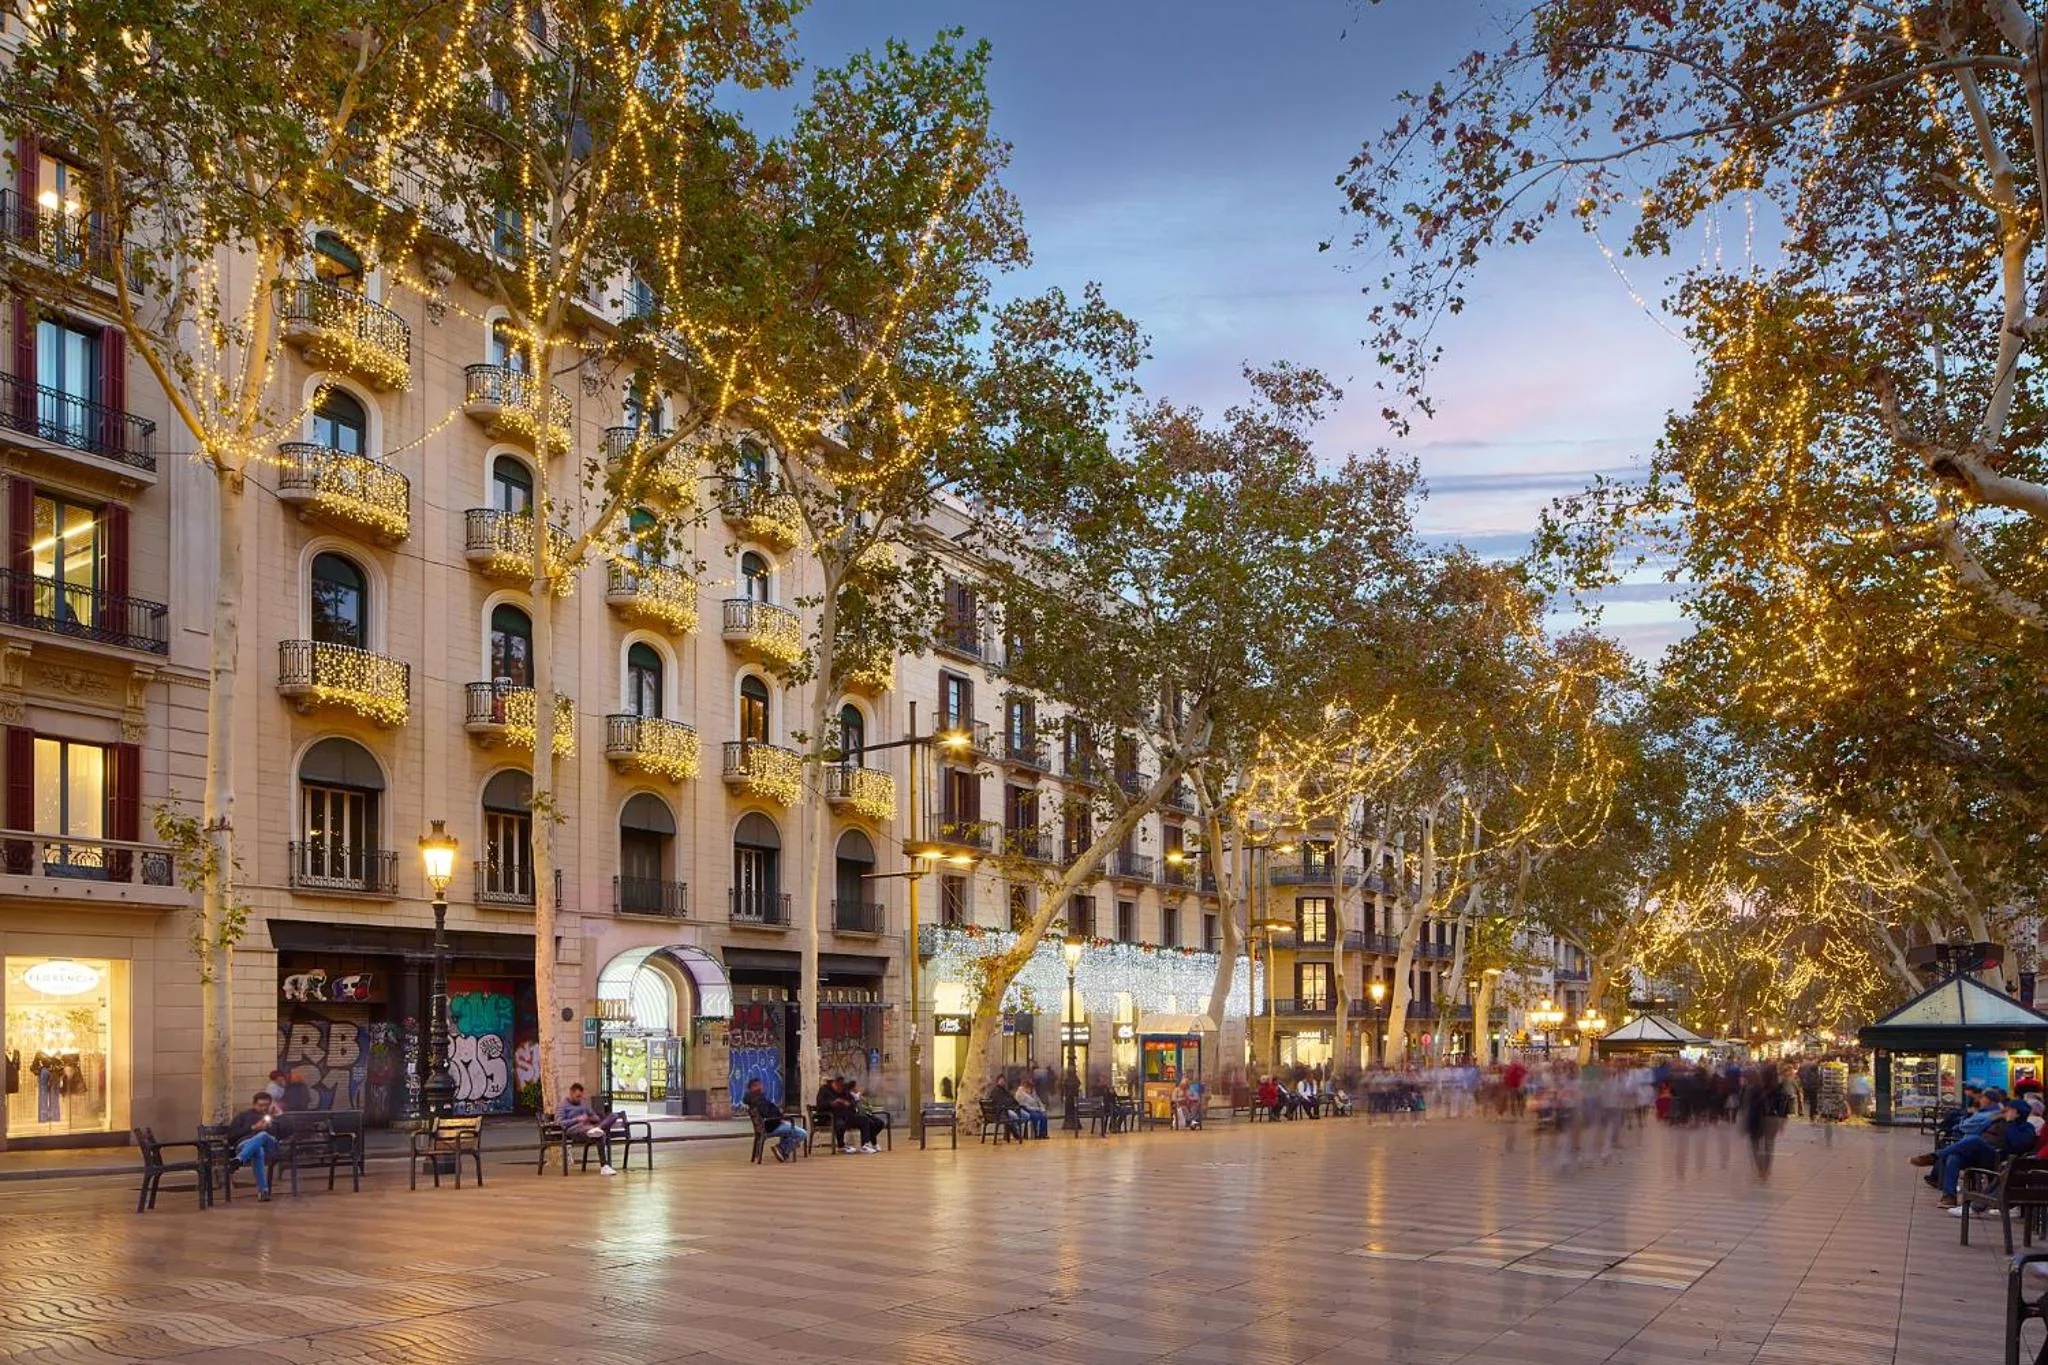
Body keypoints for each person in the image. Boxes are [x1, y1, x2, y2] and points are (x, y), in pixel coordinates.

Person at [226, 1091, 283, 1202]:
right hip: (245, 1144)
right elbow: (231, 1136)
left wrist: (280, 1118)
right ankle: (263, 1192)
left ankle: (239, 1160)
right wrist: (253, 1128)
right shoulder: (243, 1116)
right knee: (258, 1151)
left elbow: (285, 1132)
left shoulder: (275, 1116)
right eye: (260, 1105)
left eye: (266, 1105)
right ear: (254, 1104)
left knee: (263, 1135)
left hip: (270, 1146)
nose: (263, 1108)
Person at [559, 1082, 624, 1175]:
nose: (580, 1099)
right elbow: (560, 1123)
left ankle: (598, 1129)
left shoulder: (583, 1104)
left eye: (581, 1096)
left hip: (590, 1127)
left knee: (612, 1116)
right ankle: (604, 1166)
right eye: (578, 1096)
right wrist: (577, 1119)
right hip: (575, 1129)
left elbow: (594, 1116)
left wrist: (592, 1118)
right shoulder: (562, 1106)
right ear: (571, 1093)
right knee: (600, 1134)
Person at [742, 1078, 806, 1161]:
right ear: (751, 1088)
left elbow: (767, 1112)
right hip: (772, 1126)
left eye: (760, 1084)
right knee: (802, 1133)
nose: (760, 1087)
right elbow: (767, 1114)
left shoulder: (753, 1100)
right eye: (757, 1085)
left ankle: (783, 1152)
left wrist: (779, 1115)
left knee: (789, 1129)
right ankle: (781, 1149)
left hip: (768, 1125)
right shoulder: (759, 1100)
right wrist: (779, 1117)